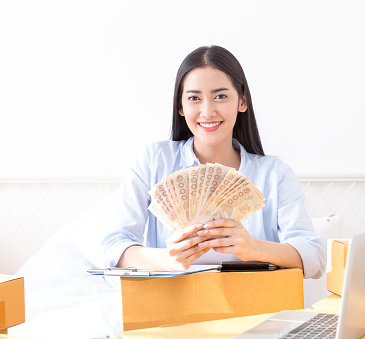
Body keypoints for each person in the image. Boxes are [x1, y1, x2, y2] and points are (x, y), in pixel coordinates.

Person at [102, 45, 326, 279]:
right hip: (174, 304)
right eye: (194, 98)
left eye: (220, 96)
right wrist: (167, 259)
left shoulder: (274, 174)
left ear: (242, 101)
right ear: (181, 106)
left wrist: (254, 247)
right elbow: (113, 246)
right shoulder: (154, 160)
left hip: (254, 306)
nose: (207, 112)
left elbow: (315, 257)